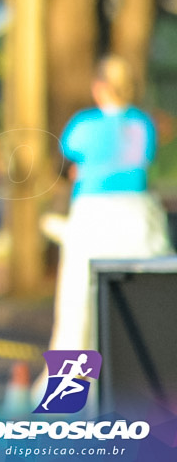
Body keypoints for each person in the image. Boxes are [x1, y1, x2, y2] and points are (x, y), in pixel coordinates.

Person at [45, 55, 173, 357]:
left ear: (100, 87)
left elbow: (64, 167)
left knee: (78, 306)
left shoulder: (83, 124)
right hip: (139, 217)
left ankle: (69, 396)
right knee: (142, 300)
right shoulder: (144, 123)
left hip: (93, 213)